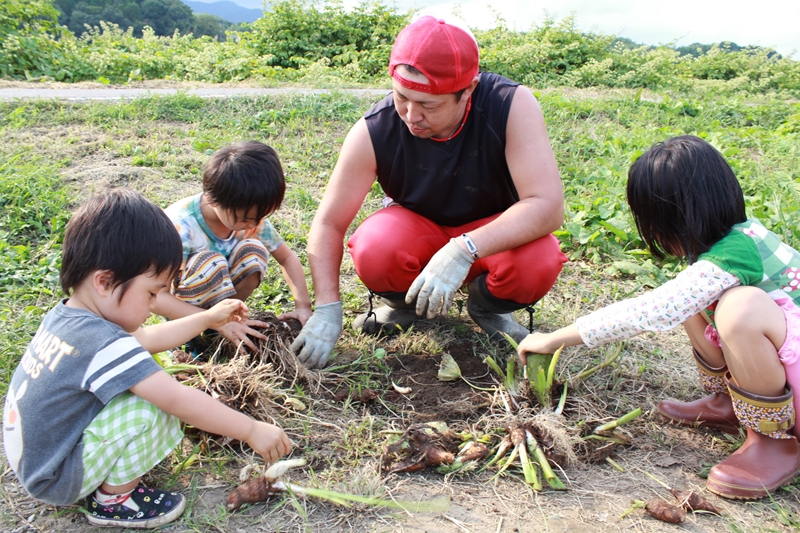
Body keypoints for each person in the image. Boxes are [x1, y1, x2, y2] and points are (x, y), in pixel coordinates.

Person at [517, 135, 800, 500]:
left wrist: (556, 338)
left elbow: (649, 312)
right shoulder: (728, 247)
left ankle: (772, 439)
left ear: (671, 218)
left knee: (736, 308)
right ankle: (730, 403)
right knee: (691, 297)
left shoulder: (738, 251)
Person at [2, 189, 292, 529]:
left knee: (141, 381)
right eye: (151, 293)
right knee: (155, 404)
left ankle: (102, 473)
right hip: (56, 477)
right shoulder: (101, 341)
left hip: (37, 461)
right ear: (105, 282)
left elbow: (146, 339)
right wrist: (251, 429)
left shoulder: (71, 319)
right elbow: (177, 399)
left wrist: (206, 318)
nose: (154, 305)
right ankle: (112, 500)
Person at [291, 15, 567, 368]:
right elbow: (328, 223)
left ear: (468, 90)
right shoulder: (375, 129)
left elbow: (546, 206)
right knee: (374, 246)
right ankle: (404, 306)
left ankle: (487, 308)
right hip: (418, 231)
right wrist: (328, 308)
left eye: (429, 105)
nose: (411, 115)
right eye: (402, 97)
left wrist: (464, 248)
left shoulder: (510, 106)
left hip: (492, 236)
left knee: (538, 259)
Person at [154, 140, 312, 353]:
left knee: (253, 252)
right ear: (212, 200)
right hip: (181, 303)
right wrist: (208, 318)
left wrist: (303, 306)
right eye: (245, 219)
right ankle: (188, 335)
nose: (254, 225)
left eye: (260, 217)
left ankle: (225, 321)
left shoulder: (251, 217)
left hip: (217, 299)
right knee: (211, 262)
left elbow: (287, 258)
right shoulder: (181, 226)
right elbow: (157, 298)